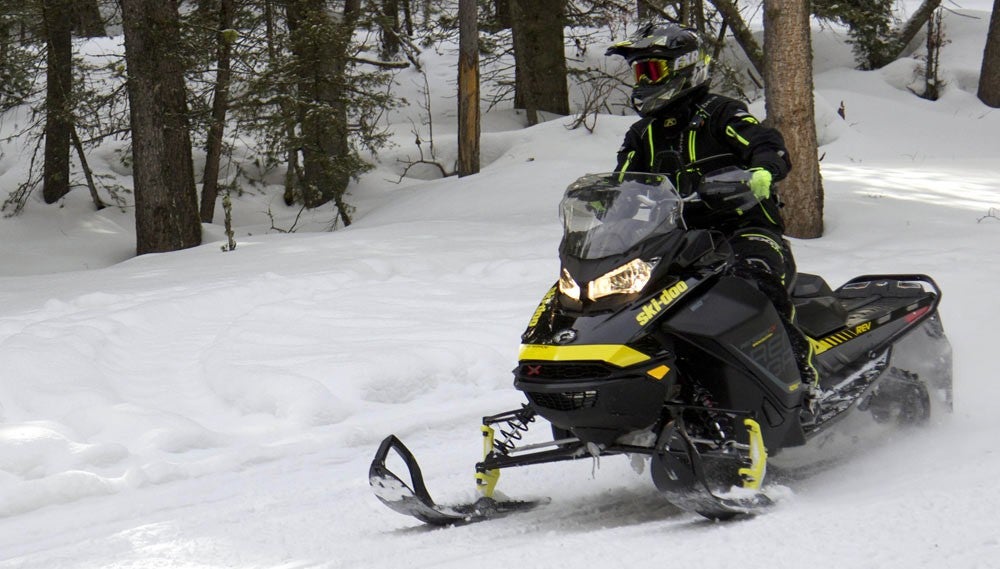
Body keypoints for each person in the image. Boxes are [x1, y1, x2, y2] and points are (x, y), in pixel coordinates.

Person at [607, 23, 817, 387]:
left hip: (744, 231)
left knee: (755, 282)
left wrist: (764, 168)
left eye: (651, 70)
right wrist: (604, 205)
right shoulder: (643, 134)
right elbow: (622, 182)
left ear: (686, 67)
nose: (642, 80)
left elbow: (763, 140)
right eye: (639, 72)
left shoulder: (720, 113)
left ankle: (800, 379)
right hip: (677, 244)